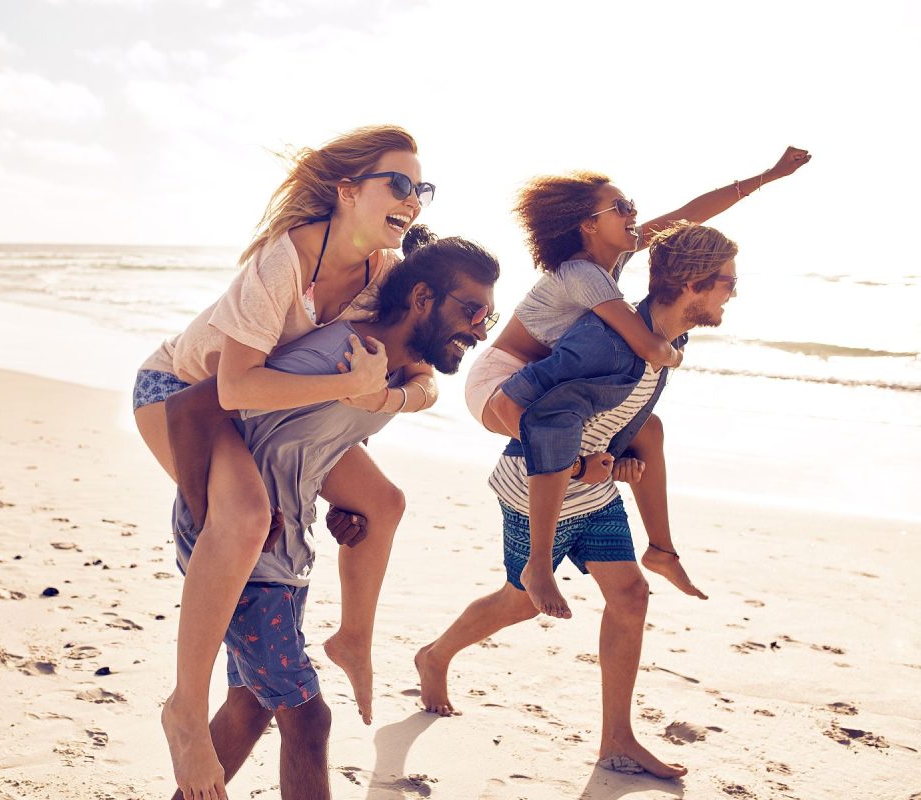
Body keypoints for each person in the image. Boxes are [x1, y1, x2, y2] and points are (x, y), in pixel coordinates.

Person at [132, 125, 440, 798]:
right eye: (399, 183)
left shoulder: (384, 276)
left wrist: (392, 394)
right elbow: (234, 386)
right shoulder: (286, 259)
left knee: (381, 504)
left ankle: (353, 638)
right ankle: (184, 707)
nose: (413, 199)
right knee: (245, 520)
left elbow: (424, 375)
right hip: (181, 396)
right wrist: (351, 389)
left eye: (422, 189)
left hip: (267, 420)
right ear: (347, 189)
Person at [169, 229, 500, 800]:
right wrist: (209, 521)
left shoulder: (393, 374)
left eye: (487, 320)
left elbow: (310, 440)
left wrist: (342, 505)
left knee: (250, 705)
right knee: (308, 717)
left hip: (290, 548)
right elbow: (191, 409)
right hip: (243, 549)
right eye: (471, 310)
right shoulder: (336, 354)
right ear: (422, 299)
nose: (478, 329)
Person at [416, 222, 740, 778]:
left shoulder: (665, 339)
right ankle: (436, 655)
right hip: (538, 485)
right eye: (728, 282)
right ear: (694, 284)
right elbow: (528, 411)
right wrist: (578, 467)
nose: (734, 292)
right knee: (520, 600)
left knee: (631, 595)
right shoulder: (600, 340)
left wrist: (615, 456)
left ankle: (617, 739)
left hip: (593, 488)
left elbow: (617, 411)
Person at [465, 147, 811, 618]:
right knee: (563, 447)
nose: (634, 214)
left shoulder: (612, 261)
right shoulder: (582, 274)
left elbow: (688, 215)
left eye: (632, 206)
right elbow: (648, 347)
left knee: (647, 431)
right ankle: (539, 566)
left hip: (537, 378)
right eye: (621, 208)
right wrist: (672, 353)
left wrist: (766, 177)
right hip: (499, 383)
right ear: (589, 224)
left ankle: (662, 551)